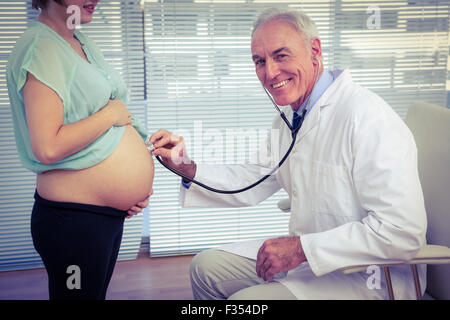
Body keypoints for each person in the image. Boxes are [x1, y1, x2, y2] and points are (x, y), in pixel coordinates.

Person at [149, 8, 427, 300]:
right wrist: (185, 166)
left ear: (314, 50)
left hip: (367, 276)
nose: (270, 73)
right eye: (260, 61)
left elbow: (401, 232)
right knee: (206, 268)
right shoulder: (291, 118)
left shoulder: (369, 117)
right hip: (309, 260)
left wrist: (300, 249)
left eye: (281, 56)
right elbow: (251, 179)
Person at [7, 0, 154, 299]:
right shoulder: (41, 48)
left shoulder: (78, 41)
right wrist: (110, 117)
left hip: (100, 217)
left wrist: (136, 174)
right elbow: (47, 147)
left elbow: (111, 112)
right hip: (72, 224)